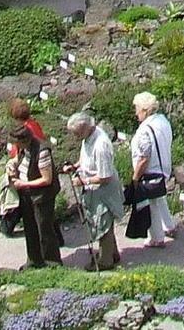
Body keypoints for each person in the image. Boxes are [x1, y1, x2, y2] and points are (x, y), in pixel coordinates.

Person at [68, 111, 123, 271]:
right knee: (101, 223)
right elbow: (86, 158)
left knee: (102, 224)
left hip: (104, 191)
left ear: (86, 127)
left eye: (77, 133)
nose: (76, 137)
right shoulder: (89, 137)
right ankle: (112, 253)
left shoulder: (101, 145)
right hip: (94, 189)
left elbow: (105, 176)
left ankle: (105, 260)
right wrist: (76, 166)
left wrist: (83, 181)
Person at [11, 119, 64, 267]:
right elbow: (18, 159)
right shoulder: (23, 148)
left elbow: (47, 179)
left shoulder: (42, 150)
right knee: (30, 228)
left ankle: (52, 262)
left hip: (42, 196)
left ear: (24, 140)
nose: (16, 146)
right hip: (27, 194)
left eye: (17, 143)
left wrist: (24, 183)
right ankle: (34, 260)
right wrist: (12, 165)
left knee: (44, 229)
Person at [130, 92, 177, 247]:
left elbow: (144, 157)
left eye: (137, 108)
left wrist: (136, 177)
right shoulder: (163, 121)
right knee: (159, 197)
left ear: (144, 109)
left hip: (151, 170)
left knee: (152, 204)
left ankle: (157, 238)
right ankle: (168, 226)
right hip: (164, 166)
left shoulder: (144, 129)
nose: (135, 112)